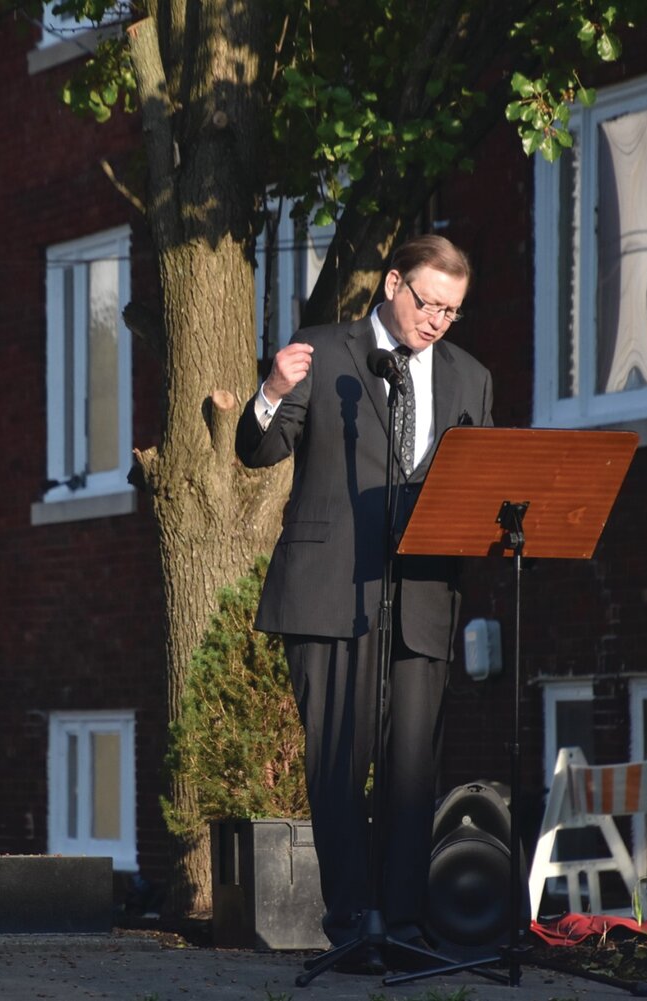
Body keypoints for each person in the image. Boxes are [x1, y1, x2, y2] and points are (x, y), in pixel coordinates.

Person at [235, 234, 493, 956]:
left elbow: (479, 487)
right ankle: (352, 926)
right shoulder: (322, 351)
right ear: (392, 285)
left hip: (422, 597)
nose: (437, 319)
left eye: (451, 309)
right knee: (339, 769)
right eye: (428, 302)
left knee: (413, 773)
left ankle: (406, 926)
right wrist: (273, 392)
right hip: (330, 594)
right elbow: (259, 450)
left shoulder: (470, 378)